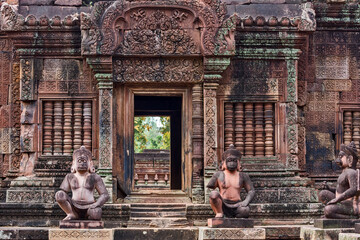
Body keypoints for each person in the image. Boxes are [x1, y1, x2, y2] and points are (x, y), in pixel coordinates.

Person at [55, 146, 109, 220]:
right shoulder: (70, 176)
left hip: (90, 206)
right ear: (74, 163)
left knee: (96, 214)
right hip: (73, 205)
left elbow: (105, 194)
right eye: (79, 161)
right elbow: (63, 192)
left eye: (84, 161)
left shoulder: (95, 177)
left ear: (90, 164)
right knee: (59, 194)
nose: (82, 164)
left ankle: (88, 215)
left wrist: (96, 204)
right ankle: (71, 214)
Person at [207, 144, 255, 218]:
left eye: (234, 161)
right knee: (213, 194)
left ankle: (235, 218)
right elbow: (211, 187)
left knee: (245, 210)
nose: (231, 163)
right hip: (222, 204)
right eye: (229, 160)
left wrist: (246, 201)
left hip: (238, 204)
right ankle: (219, 213)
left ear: (238, 163)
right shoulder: (218, 174)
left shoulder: (243, 175)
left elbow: (251, 191)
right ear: (223, 163)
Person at [319, 141, 360, 219]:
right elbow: (341, 191)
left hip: (349, 204)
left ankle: (352, 216)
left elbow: (354, 189)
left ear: (350, 159)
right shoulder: (344, 172)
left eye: (341, 156)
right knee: (323, 194)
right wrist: (329, 188)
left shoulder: (351, 172)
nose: (338, 159)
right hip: (341, 201)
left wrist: (337, 199)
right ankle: (332, 214)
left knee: (328, 210)